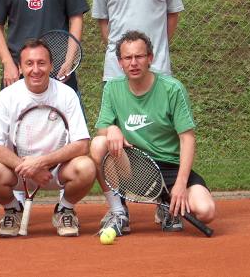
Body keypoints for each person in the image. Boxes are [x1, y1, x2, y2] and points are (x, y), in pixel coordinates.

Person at [90, 30, 215, 235]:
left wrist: (181, 184)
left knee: (206, 211)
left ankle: (166, 203)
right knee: (98, 143)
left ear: (150, 58)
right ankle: (118, 211)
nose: (133, 63)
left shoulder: (172, 89)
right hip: (135, 166)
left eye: (139, 56)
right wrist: (112, 128)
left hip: (171, 167)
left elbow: (187, 138)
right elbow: (102, 129)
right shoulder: (112, 88)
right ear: (120, 62)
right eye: (127, 58)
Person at [0, 39, 96, 237]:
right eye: (29, 63)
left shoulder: (67, 94)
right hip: (19, 171)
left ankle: (65, 210)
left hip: (57, 171)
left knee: (86, 167)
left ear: (51, 66)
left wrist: (41, 163)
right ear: (20, 67)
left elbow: (82, 145)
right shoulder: (7, 96)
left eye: (41, 63)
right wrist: (29, 169)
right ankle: (13, 210)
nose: (36, 69)